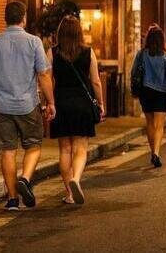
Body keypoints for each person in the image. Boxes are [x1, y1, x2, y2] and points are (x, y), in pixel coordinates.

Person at [0, 1, 55, 211]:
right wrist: (50, 102)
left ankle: (12, 199)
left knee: (7, 152)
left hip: (1, 106)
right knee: (33, 145)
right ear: (24, 18)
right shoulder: (34, 42)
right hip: (28, 105)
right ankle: (25, 178)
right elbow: (43, 75)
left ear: (5, 19)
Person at [47, 15, 105, 205]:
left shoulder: (52, 53)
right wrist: (101, 103)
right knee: (80, 148)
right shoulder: (88, 52)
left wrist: (48, 102)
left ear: (60, 33)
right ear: (79, 32)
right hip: (82, 104)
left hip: (61, 102)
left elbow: (47, 79)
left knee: (65, 150)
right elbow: (96, 81)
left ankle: (69, 194)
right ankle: (76, 179)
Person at [132, 25, 166, 168]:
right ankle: (156, 154)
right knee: (159, 125)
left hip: (145, 92)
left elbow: (134, 73)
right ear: (162, 40)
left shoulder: (141, 54)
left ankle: (152, 151)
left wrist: (134, 91)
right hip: (162, 93)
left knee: (149, 123)